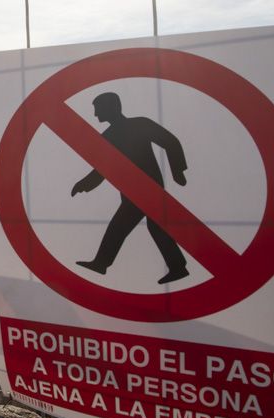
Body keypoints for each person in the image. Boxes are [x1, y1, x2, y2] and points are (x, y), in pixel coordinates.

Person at [71, 92, 189, 285]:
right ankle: (177, 267)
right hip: (132, 194)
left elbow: (170, 142)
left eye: (97, 109)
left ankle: (102, 263)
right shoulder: (107, 137)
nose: (94, 115)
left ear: (112, 107)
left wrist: (178, 170)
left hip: (149, 190)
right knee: (145, 227)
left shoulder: (139, 124)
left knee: (125, 226)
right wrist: (84, 184)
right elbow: (102, 169)